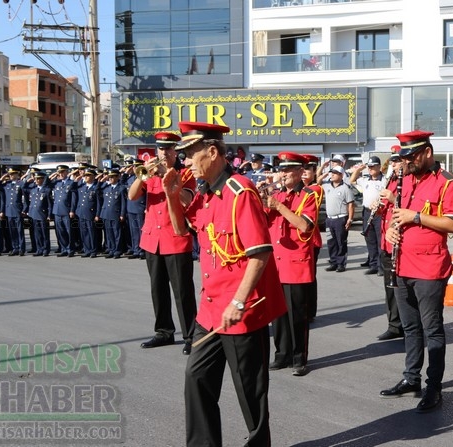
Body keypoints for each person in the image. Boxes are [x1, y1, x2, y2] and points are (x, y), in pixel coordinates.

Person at [162, 121, 287, 447]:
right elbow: (179, 231)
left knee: (250, 390)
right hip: (211, 309)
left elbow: (260, 254)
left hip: (241, 311)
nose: (185, 162)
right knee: (196, 378)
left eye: (190, 155)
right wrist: (172, 195)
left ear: (212, 151)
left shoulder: (239, 191)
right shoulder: (206, 195)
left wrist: (239, 302)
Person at [381, 130, 453, 413]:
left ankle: (434, 387)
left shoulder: (446, 182)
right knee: (410, 328)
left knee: (432, 330)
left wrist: (415, 217)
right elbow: (397, 218)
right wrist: (393, 229)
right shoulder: (404, 180)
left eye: (412, 156)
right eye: (404, 157)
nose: (407, 162)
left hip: (429, 267)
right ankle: (411, 378)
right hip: (402, 264)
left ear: (427, 152)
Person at [128, 130, 197, 355]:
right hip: (152, 240)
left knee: (182, 291)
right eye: (160, 149)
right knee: (158, 289)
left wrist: (169, 176)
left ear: (175, 152)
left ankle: (190, 335)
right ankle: (164, 331)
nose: (164, 153)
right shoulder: (150, 173)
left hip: (175, 239)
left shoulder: (185, 174)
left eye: (168, 149)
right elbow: (132, 196)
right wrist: (142, 175)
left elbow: (189, 201)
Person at [266, 152, 319, 376]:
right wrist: (264, 199)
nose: (283, 174)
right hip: (276, 263)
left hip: (296, 263)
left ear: (299, 172)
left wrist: (278, 206)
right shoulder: (277, 194)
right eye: (282, 169)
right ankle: (281, 354)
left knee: (297, 315)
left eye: (288, 170)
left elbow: (304, 226)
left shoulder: (308, 196)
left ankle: (299, 358)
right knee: (277, 315)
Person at [376, 146, 404, 341]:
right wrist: (377, 207)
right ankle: (394, 324)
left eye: (396, 160)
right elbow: (385, 212)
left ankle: (407, 326)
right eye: (392, 161)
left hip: (401, 242)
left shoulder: (408, 181)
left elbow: (410, 207)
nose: (392, 164)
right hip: (386, 241)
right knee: (389, 287)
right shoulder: (391, 180)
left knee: (403, 289)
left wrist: (393, 199)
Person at [350, 155, 387, 275]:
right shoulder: (365, 180)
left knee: (379, 240)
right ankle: (373, 265)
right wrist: (358, 170)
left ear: (379, 167)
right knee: (370, 239)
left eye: (373, 166)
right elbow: (352, 180)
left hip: (379, 212)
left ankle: (381, 266)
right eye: (369, 167)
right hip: (366, 212)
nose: (370, 169)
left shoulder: (385, 180)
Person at [301, 154, 323, 322]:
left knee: (309, 277)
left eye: (307, 169)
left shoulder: (315, 189)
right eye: (301, 169)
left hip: (311, 239)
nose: (303, 172)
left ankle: (308, 311)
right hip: (299, 239)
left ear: (315, 171)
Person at [322, 165, 355, 272]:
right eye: (331, 173)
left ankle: (341, 263)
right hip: (329, 219)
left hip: (340, 219)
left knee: (341, 242)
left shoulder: (345, 188)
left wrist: (350, 219)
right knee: (331, 242)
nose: (332, 175)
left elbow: (351, 204)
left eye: (335, 173)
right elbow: (317, 182)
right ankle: (333, 262)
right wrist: (324, 173)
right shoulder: (327, 186)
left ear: (341, 175)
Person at [98, 169, 127, 259]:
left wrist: (122, 214)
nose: (110, 179)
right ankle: (111, 249)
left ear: (117, 177)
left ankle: (117, 250)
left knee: (116, 233)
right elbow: (96, 191)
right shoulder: (106, 187)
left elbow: (123, 202)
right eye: (109, 177)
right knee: (109, 233)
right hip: (106, 213)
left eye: (112, 177)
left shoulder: (121, 188)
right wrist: (101, 181)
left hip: (115, 213)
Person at [51, 165, 78, 257]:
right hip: (57, 211)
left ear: (67, 172)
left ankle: (70, 249)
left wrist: (72, 210)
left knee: (69, 231)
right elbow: (46, 183)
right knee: (60, 231)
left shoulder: (71, 183)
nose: (61, 174)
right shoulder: (56, 183)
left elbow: (73, 199)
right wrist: (54, 175)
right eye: (59, 172)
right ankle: (63, 248)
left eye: (63, 172)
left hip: (66, 210)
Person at [25, 171, 53, 256]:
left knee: (44, 233)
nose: (36, 180)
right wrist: (27, 180)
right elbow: (23, 188)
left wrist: (49, 215)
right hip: (34, 214)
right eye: (35, 179)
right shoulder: (33, 190)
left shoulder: (47, 190)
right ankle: (39, 249)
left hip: (43, 214)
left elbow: (49, 204)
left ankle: (45, 250)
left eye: (38, 179)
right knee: (37, 234)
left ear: (42, 179)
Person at [75, 168, 101, 258]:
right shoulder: (82, 187)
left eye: (88, 175)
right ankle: (87, 250)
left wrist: (97, 214)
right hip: (81, 212)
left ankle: (93, 250)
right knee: (84, 232)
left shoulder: (96, 188)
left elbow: (98, 203)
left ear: (93, 177)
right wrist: (77, 178)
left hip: (91, 213)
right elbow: (71, 188)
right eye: (85, 175)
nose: (85, 177)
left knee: (91, 233)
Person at [0, 167, 27, 256]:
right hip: (9, 211)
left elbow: (25, 198)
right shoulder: (7, 184)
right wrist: (4, 177)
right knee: (12, 231)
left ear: (16, 174)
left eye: (12, 174)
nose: (11, 176)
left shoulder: (21, 183)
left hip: (17, 210)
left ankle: (21, 249)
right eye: (9, 174)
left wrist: (24, 209)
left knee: (19, 231)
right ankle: (15, 248)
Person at [124, 159, 147, 260]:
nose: (134, 168)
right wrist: (125, 173)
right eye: (133, 167)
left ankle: (143, 251)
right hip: (131, 208)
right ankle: (136, 249)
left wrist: (146, 207)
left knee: (141, 231)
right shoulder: (130, 178)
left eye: (137, 166)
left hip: (140, 207)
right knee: (134, 231)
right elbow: (121, 185)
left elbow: (148, 194)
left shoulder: (144, 178)